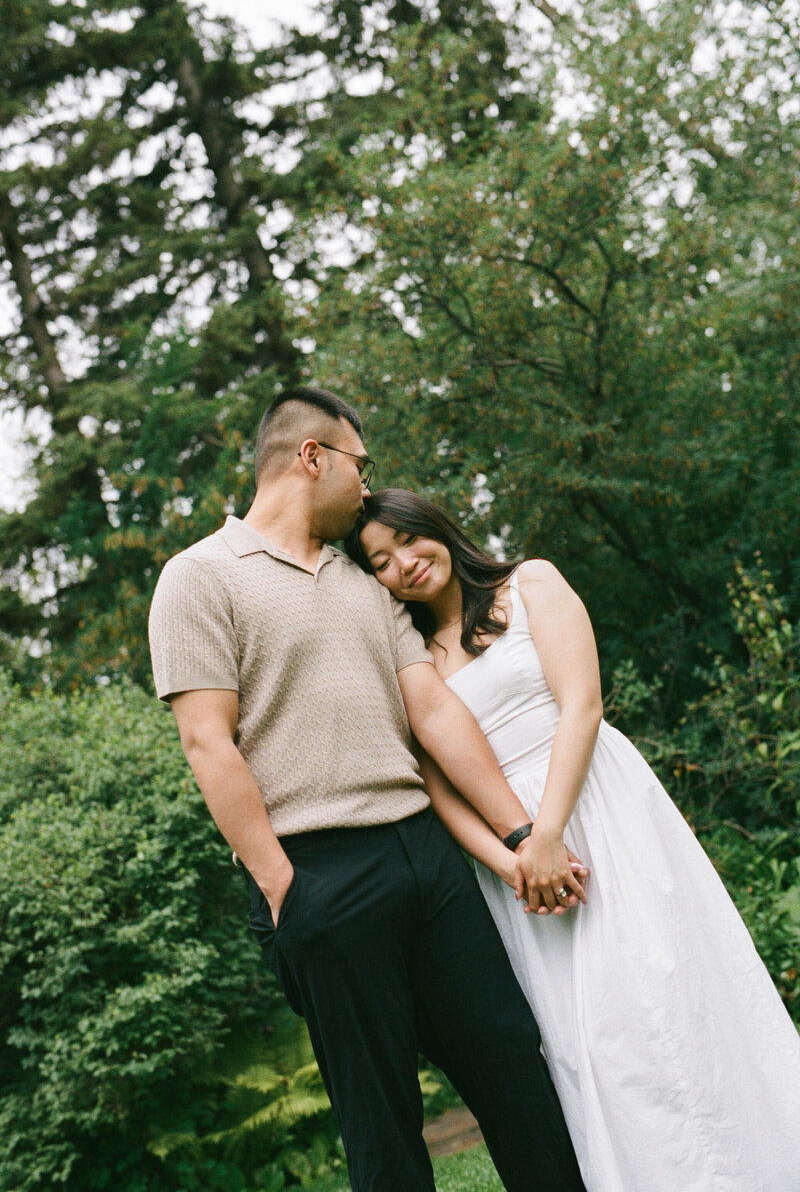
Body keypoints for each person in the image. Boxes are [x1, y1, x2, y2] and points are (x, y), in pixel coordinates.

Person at [148, 387, 587, 1192]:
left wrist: (522, 832)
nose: (365, 484)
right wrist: (283, 886)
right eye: (360, 464)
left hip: (426, 858)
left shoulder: (365, 584)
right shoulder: (198, 577)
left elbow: (433, 708)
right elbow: (207, 741)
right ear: (312, 456)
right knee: (381, 1122)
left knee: (513, 1063)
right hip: (317, 875)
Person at [347, 487, 800, 1192]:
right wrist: (514, 860)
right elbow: (436, 787)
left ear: (436, 527)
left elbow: (582, 703)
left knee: (663, 990)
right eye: (379, 560)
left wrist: (551, 831)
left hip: (597, 809)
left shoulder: (529, 584)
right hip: (521, 865)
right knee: (590, 1036)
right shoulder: (410, 659)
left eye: (407, 539)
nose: (403, 562)